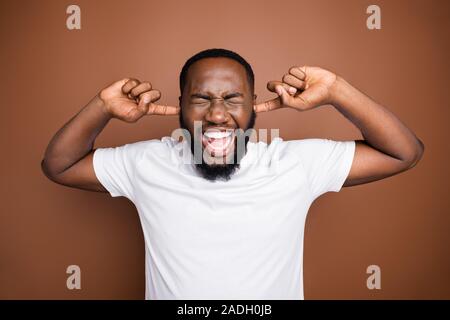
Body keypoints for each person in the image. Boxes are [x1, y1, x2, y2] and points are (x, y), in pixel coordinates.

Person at [41, 48, 424, 299]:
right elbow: (59, 165)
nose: (218, 115)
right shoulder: (148, 163)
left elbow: (404, 152)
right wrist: (102, 107)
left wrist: (337, 90)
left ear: (255, 105)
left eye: (233, 99)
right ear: (180, 108)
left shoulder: (292, 163)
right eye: (201, 99)